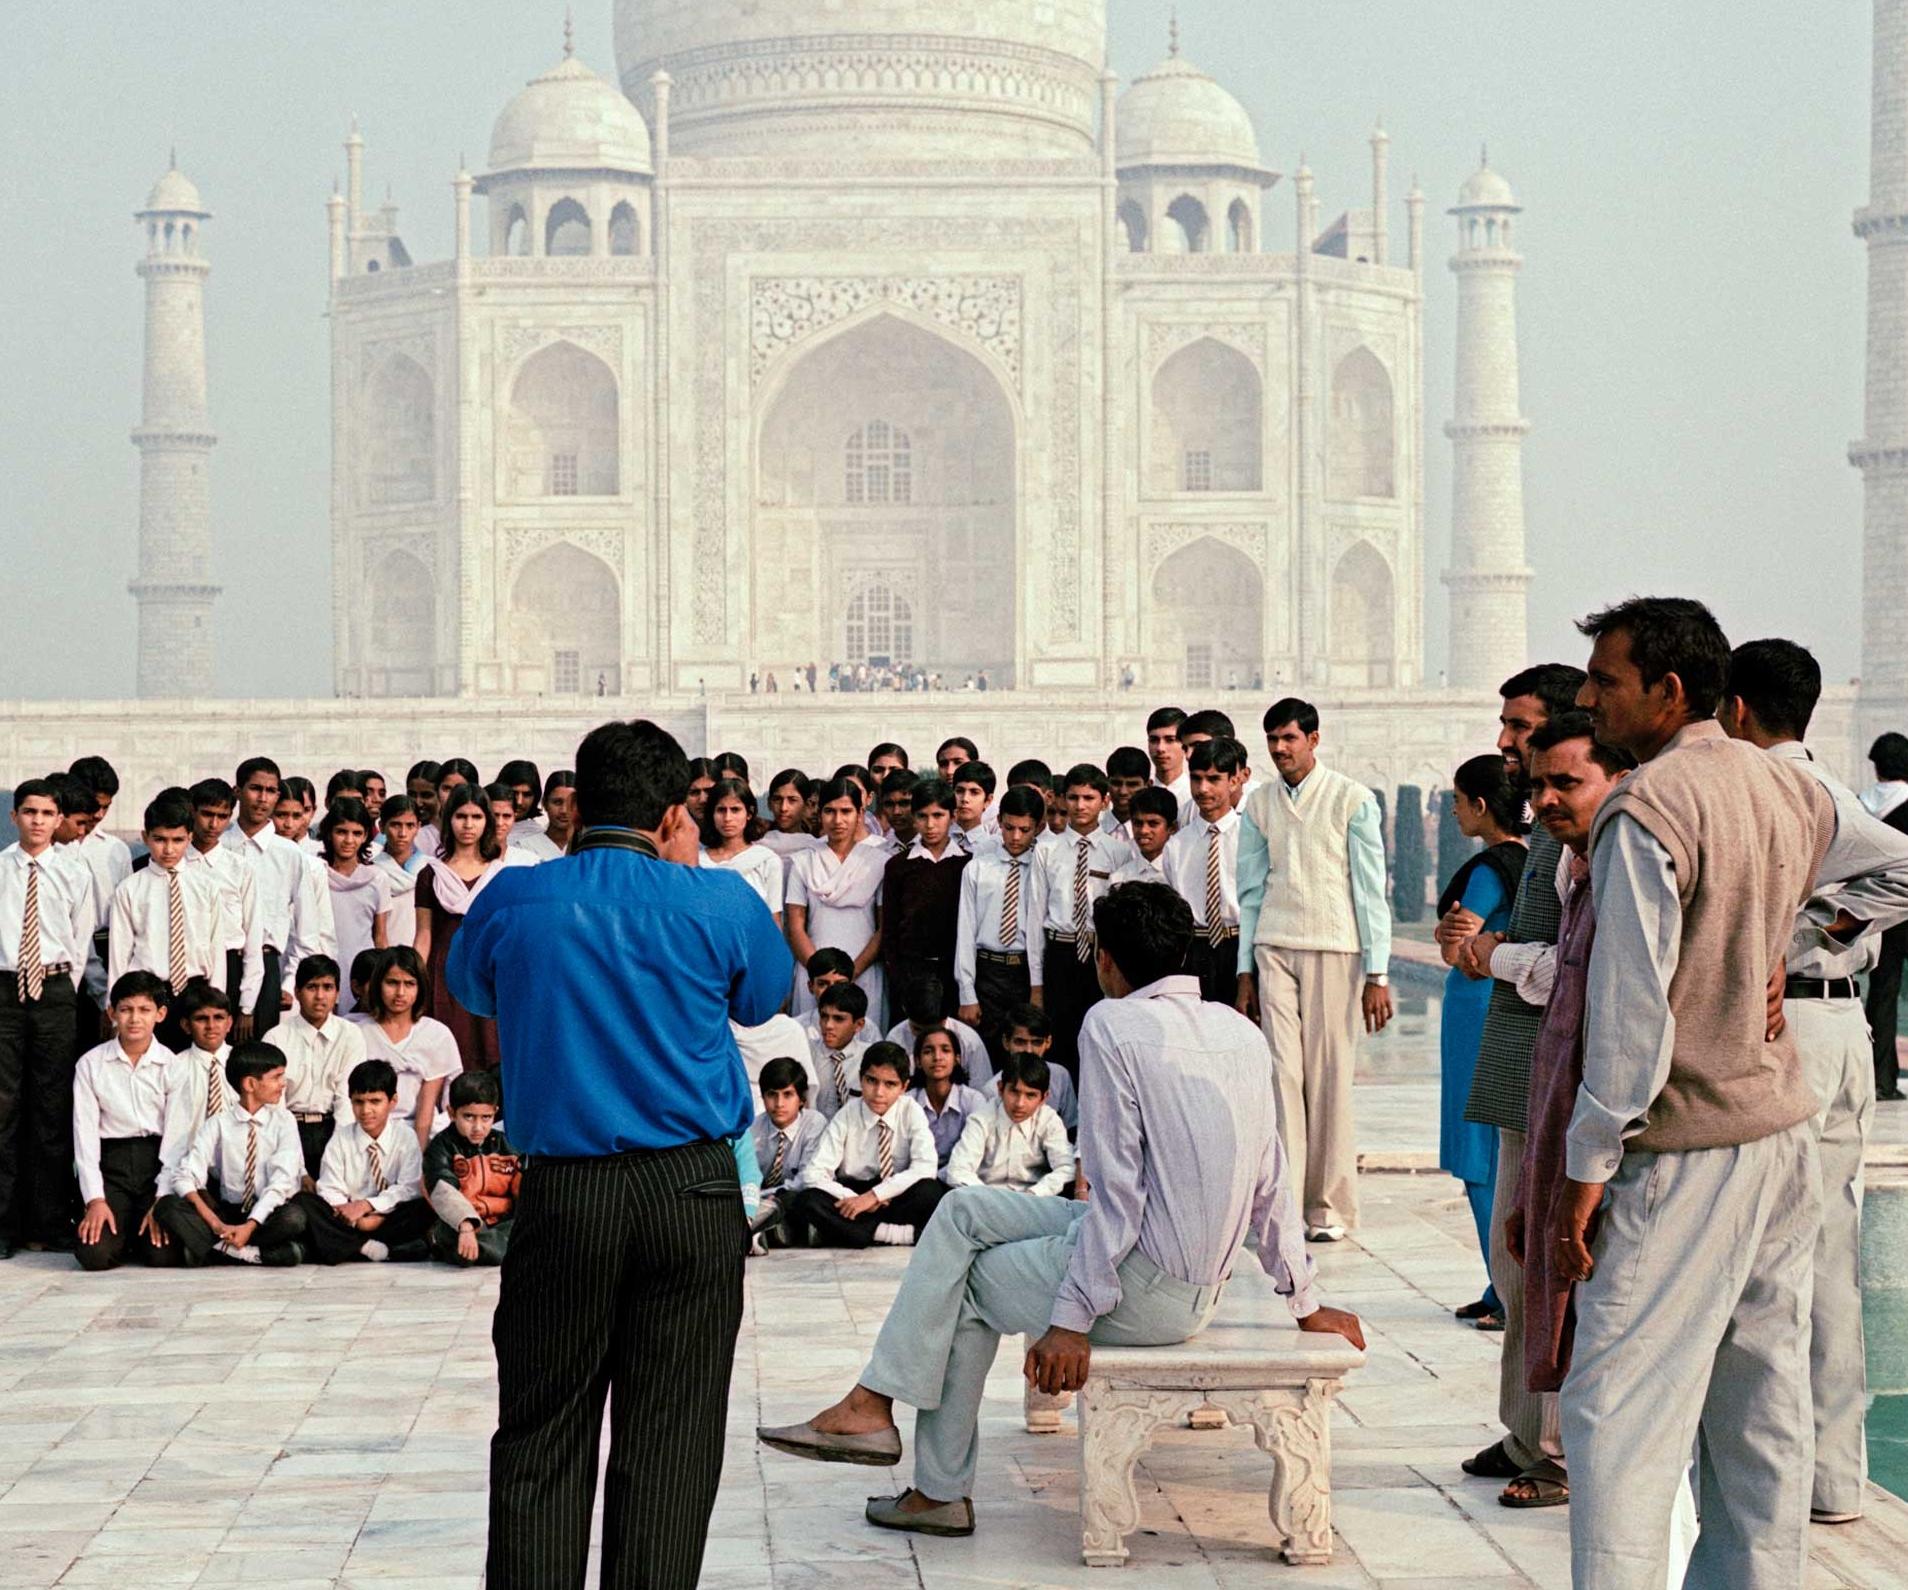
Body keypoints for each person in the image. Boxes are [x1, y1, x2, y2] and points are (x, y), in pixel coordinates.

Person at [757, 883, 1364, 1538]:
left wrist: (1073, 1316)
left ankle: (934, 1488)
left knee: (961, 1290)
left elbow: (1118, 1187)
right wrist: (1304, 1299)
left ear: (1105, 958)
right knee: (962, 1214)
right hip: (1189, 1277)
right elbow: (1273, 1177)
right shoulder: (1240, 1031)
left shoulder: (1112, 1025)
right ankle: (871, 1404)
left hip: (1147, 1289)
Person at [446, 717, 793, 1590]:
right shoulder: (717, 900)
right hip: (691, 1190)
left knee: (543, 1431)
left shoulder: (516, 896)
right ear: (676, 810)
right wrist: (684, 876)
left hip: (567, 1193)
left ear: (573, 804)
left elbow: (475, 986)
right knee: (669, 1439)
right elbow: (762, 1000)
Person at [1558, 596, 1838, 1589]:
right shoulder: (1784, 787)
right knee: (1759, 1419)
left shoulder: (1649, 808)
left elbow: (1632, 1023)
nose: (1588, 699)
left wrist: (1587, 1164)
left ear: (1669, 692)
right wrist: (1797, 949)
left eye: (1606, 681)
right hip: (1781, 1134)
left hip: (1684, 1150)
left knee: (1619, 1421)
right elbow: (1894, 874)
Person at [1720, 638, 1908, 1526]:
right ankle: (1832, 1478)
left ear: (1739, 710)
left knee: (1780, 1253)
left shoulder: (1790, 790)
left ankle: (1786, 1480)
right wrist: (1832, 928)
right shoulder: (1825, 789)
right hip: (1835, 1022)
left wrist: (1812, 927)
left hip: (1792, 1021)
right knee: (1827, 1247)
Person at [1438, 662, 1586, 1503]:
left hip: (1555, 1074)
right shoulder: (1542, 833)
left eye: (1521, 727)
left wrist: (1491, 954)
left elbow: (1579, 963)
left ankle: (1557, 1451)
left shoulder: (1587, 833)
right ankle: (1524, 1430)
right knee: (1515, 1258)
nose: (1505, 742)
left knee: (1547, 1269)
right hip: (1518, 1068)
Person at [1235, 700, 1392, 1241]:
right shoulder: (1260, 803)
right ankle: (1282, 1204)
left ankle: (1328, 1209)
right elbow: (1250, 890)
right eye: (1273, 739)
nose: (1280, 749)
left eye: (1289, 739)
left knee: (1328, 1078)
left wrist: (1378, 972)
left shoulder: (1352, 799)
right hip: (1273, 944)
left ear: (1314, 740)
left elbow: (1370, 888)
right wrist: (1244, 970)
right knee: (1281, 1076)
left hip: (1335, 947)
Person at [1435, 755, 1528, 1331]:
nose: (1452, 810)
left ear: (1481, 805)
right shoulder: (1530, 861)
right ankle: (1500, 1286)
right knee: (1499, 1152)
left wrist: (1462, 946)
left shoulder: (1491, 867)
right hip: (1500, 1008)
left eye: (1458, 800)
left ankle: (1506, 1288)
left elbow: (1456, 948)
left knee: (1479, 1156)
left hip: (1477, 1013)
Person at [1, 780, 95, 1260]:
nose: (38, 821)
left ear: (59, 820)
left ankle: (51, 1218)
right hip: (5, 989)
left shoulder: (74, 871)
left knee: (53, 1106)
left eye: (47, 813)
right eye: (29, 811)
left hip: (56, 988)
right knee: (4, 1106)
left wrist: (64, 988)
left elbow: (81, 939)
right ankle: (5, 1223)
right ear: (15, 816)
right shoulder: (0, 869)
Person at [152, 1039, 308, 1267]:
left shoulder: (284, 1121)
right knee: (167, 1205)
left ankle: (217, 1250)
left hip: (265, 1214)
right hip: (227, 1213)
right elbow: (184, 1176)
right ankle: (251, 1253)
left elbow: (281, 1183)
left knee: (295, 1217)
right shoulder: (217, 1124)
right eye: (276, 1077)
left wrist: (250, 1225)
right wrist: (214, 1223)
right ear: (250, 1084)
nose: (283, 1084)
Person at [222, 756, 337, 1037]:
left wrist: (287, 984)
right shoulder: (218, 847)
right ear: (237, 791)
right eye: (255, 788)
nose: (262, 798)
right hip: (220, 964)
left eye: (270, 790)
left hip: (267, 964)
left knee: (260, 1061)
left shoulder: (289, 855)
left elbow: (308, 931)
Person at [1026, 764, 1128, 1079]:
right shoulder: (1046, 850)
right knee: (1060, 1042)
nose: (1080, 806)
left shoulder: (1119, 852)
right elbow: (1034, 918)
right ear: (1061, 799)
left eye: (1089, 797)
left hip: (1101, 957)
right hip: (1060, 954)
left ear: (1105, 800)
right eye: (1073, 797)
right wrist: (1037, 984)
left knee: (1101, 1040)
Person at [71, 971, 178, 1270]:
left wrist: (163, 1198)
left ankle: (134, 1233)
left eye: (144, 1010)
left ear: (161, 1014)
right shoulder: (91, 1064)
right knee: (94, 1255)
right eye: (126, 1009)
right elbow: (85, 1135)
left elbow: (177, 1137)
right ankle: (120, 1231)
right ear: (111, 1012)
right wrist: (95, 1200)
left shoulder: (172, 1065)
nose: (134, 1019)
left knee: (164, 1256)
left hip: (156, 1166)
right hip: (112, 1166)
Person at [792, 1043, 945, 1248]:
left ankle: (853, 1233)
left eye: (889, 1084)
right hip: (853, 1193)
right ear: (861, 1077)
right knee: (807, 1200)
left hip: (894, 1193)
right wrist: (856, 1199)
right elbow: (814, 1172)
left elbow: (925, 1166)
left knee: (931, 1191)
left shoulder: (911, 1111)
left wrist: (875, 1196)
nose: (878, 1092)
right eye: (871, 1081)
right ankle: (890, 1234)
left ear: (904, 1087)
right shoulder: (847, 1114)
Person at [109, 792, 230, 1052]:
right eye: (160, 839)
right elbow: (119, 954)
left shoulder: (206, 887)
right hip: (148, 994)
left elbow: (215, 948)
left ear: (189, 838)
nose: (168, 849)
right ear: (145, 838)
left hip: (195, 991)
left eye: (177, 840)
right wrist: (118, 1008)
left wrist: (216, 1002)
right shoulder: (130, 889)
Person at [292, 1057, 433, 1264]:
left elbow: (409, 1187)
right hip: (347, 1220)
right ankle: (365, 1246)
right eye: (359, 1102)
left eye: (375, 1101)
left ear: (392, 1101)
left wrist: (369, 1207)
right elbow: (330, 1187)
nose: (366, 1111)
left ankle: (345, 1246)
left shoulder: (405, 1137)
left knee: (423, 1206)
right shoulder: (341, 1137)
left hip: (385, 1218)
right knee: (304, 1202)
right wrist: (354, 1218)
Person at [414, 785, 504, 1073]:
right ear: (448, 819)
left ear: (487, 821)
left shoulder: (499, 874)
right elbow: (424, 934)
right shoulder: (431, 873)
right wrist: (416, 978)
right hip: (442, 972)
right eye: (460, 816)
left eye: (476, 817)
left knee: (487, 1048)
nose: (468, 825)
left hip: (485, 970)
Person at [787, 778, 888, 1028]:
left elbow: (883, 928)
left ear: (860, 813)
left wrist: (850, 973)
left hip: (863, 971)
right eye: (829, 811)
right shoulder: (803, 861)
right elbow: (795, 926)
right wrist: (820, 975)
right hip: (812, 972)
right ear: (819, 813)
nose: (838, 820)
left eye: (846, 811)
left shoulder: (878, 861)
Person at [954, 787, 1043, 1069]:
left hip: (1026, 971)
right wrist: (967, 992)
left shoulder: (1043, 868)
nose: (1015, 837)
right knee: (988, 1052)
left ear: (1038, 827)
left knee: (1026, 1051)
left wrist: (1037, 987)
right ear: (999, 822)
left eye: (1024, 830)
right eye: (1008, 828)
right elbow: (966, 931)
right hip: (988, 971)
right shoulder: (978, 868)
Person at [1162, 737, 1246, 1004]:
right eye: (1196, 779)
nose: (1203, 788)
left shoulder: (1251, 838)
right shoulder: (1177, 845)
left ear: (1233, 781)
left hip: (1239, 946)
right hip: (1194, 950)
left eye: (1213, 779)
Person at [271, 954, 364, 1180]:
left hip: (334, 1129)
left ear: (338, 993)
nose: (320, 996)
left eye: (328, 987)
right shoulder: (276, 1036)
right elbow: (276, 1107)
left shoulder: (350, 1034)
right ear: (297, 992)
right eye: (312, 987)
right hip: (288, 1130)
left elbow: (346, 1100)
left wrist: (334, 1162)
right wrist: (299, 1170)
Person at [182, 779, 264, 1038]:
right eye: (207, 814)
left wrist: (247, 1006)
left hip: (230, 965)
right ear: (192, 812)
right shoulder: (175, 864)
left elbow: (253, 935)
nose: (213, 824)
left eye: (222, 816)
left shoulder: (239, 868)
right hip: (185, 967)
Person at [358, 946, 461, 1151]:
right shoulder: (356, 1031)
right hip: (363, 1134)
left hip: (421, 1134)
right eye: (392, 983)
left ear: (420, 987)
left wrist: (419, 1156)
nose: (400, 993)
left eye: (409, 984)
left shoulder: (436, 1034)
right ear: (378, 984)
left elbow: (443, 1102)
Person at [424, 1069, 519, 1266]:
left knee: (528, 1230)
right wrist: (466, 1225)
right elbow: (444, 1192)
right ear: (451, 1113)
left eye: (485, 1118)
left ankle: (497, 1248)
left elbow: (522, 1183)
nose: (478, 1127)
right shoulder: (442, 1147)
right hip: (460, 1224)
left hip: (501, 1224)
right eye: (468, 1117)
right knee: (449, 1234)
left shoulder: (504, 1144)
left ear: (495, 1113)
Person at [944, 1051, 1074, 1196]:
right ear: (1000, 1088)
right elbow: (958, 1170)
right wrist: (994, 1200)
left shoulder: (1048, 1120)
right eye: (1014, 1092)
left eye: (1030, 1095)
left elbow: (1066, 1166)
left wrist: (1035, 1194)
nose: (1020, 1104)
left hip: (1034, 1200)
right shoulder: (982, 1118)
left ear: (1044, 1098)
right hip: (985, 1199)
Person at [1863, 729, 1908, 1100]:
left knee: (1882, 996)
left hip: (1880, 914)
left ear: (1876, 767)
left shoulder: (1859, 806)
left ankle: (1882, 1080)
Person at [320, 798, 390, 1012]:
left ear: (366, 836)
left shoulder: (377, 878)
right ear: (329, 833)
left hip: (362, 969)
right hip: (322, 963)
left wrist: (383, 977)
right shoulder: (316, 873)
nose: (349, 840)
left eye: (357, 833)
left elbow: (380, 935)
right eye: (341, 831)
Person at [750, 1056, 827, 1250]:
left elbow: (806, 1177)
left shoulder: (814, 1123)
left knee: (806, 1197)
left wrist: (770, 1197)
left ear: (802, 1099)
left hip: (792, 1195)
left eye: (787, 1095)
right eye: (771, 1094)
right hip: (762, 1198)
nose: (779, 1103)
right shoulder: (754, 1127)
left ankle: (769, 1230)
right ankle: (773, 1230)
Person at [978, 1004, 1078, 1133]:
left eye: (1036, 1042)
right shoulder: (990, 1092)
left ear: (1048, 1042)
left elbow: (1071, 1126)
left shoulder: (1060, 1076)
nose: (1029, 1050)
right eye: (1020, 1042)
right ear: (1006, 1042)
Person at [699, 777, 783, 925]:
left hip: (753, 944)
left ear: (749, 813)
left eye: (735, 810)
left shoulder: (766, 860)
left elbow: (774, 920)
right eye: (721, 810)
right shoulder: (697, 861)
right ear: (712, 814)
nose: (727, 818)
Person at [904, 1026, 989, 1172]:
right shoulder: (908, 1101)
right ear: (917, 1061)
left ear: (957, 1059)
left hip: (960, 1174)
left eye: (945, 1050)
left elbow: (973, 1154)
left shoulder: (973, 1100)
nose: (937, 1057)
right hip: (917, 1178)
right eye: (928, 1051)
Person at [884, 974, 991, 1083]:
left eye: (933, 1031)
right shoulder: (895, 1038)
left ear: (945, 1020)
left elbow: (981, 1089)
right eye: (917, 1030)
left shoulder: (969, 1041)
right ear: (904, 1010)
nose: (925, 1039)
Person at [811, 979, 872, 1117]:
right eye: (824, 1016)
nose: (828, 1025)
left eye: (838, 1019)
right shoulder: (807, 1053)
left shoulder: (869, 1058)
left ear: (859, 1025)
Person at [372, 795, 424, 948]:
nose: (402, 833)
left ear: (418, 827)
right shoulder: (371, 871)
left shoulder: (429, 870)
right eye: (395, 825)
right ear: (382, 826)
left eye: (410, 825)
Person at [1111, 785, 1177, 885]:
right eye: (1138, 823)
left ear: (1172, 828)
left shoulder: (1182, 874)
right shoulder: (1119, 879)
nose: (1143, 831)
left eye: (1153, 823)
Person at [1145, 707, 1190, 809]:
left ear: (1185, 743)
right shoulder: (1137, 795)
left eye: (1170, 740)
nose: (1160, 748)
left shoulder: (1196, 798)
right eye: (1154, 740)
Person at [949, 763, 996, 854]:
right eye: (959, 791)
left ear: (988, 801)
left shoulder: (992, 848)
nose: (965, 799)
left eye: (974, 792)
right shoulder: (936, 840)